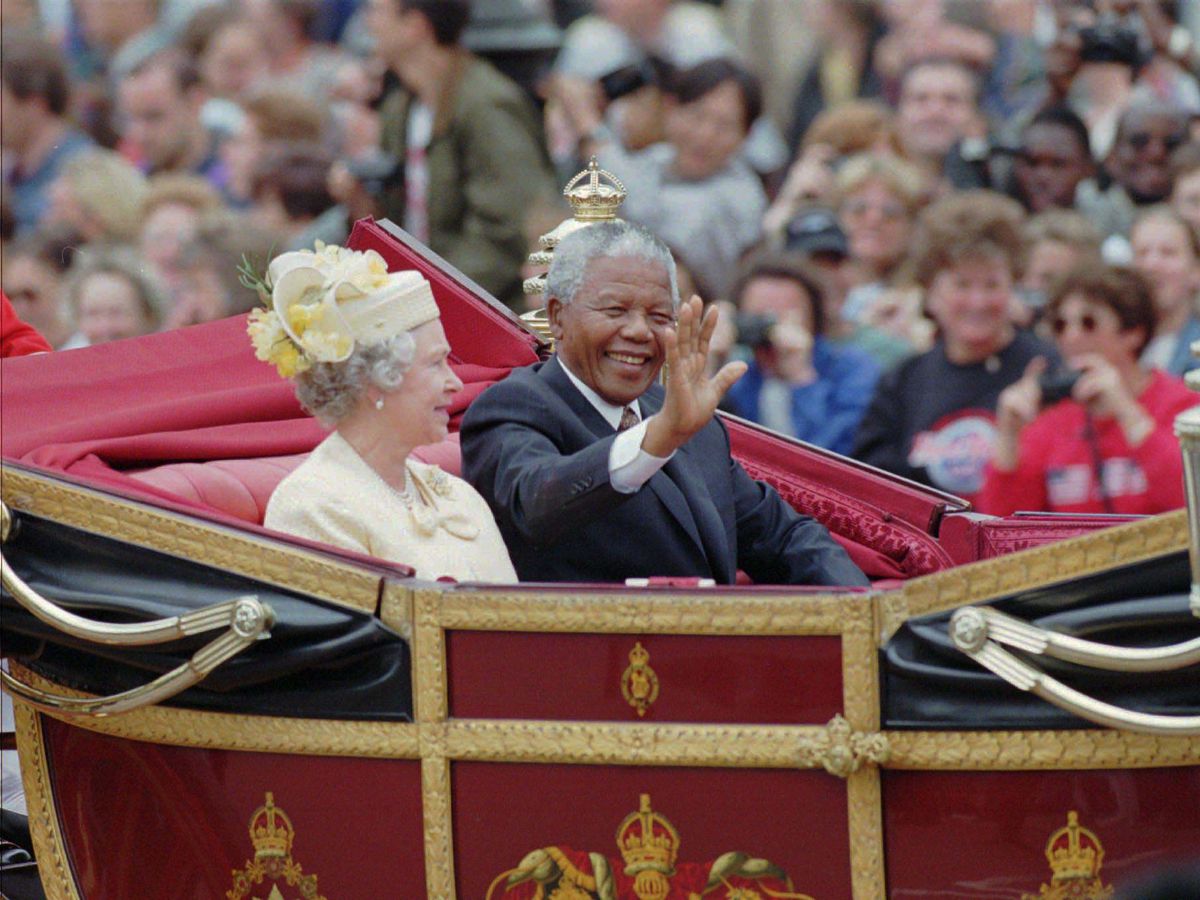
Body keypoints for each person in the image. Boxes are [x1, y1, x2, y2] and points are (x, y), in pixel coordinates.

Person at [460, 220, 868, 587]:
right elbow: (536, 502)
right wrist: (655, 440)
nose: (639, 332)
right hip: (586, 660)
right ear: (557, 317)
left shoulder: (687, 420)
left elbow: (783, 536)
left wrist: (863, 610)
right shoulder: (515, 406)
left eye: (659, 316)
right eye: (615, 310)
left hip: (709, 654)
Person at [259, 244, 516, 582]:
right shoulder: (313, 507)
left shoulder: (457, 494)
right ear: (374, 381)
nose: (454, 383)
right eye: (435, 363)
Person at [852, 190, 1056, 503]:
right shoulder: (904, 381)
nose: (978, 302)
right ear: (931, 290)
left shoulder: (1046, 367)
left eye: (992, 284)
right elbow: (875, 492)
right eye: (962, 284)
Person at [370, 0, 554, 309]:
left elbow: (506, 230)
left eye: (376, 12)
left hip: (485, 308)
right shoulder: (399, 109)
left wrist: (429, 293)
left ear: (415, 25)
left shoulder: (486, 104)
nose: (369, 24)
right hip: (421, 300)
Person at [979, 265, 1193, 516]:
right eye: (1060, 325)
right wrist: (1008, 438)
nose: (1071, 336)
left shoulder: (1183, 404)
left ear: (1133, 332)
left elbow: (1190, 500)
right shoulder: (1052, 420)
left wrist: (1127, 413)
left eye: (1088, 323)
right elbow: (1005, 529)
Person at [574, 58, 768, 300]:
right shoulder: (657, 159)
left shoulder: (743, 194)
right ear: (670, 108)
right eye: (697, 116)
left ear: (745, 135)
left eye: (724, 125)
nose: (705, 135)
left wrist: (589, 128)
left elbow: (650, 216)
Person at [724, 252, 879, 456]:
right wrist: (709, 365)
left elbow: (836, 457)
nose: (772, 328)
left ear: (814, 318)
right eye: (759, 316)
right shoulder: (739, 377)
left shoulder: (853, 370)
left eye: (785, 315)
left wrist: (802, 378)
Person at [1131, 206, 1200, 377]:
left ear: (1196, 271)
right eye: (1142, 253)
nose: (1151, 265)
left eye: (1168, 253)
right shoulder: (1111, 345)